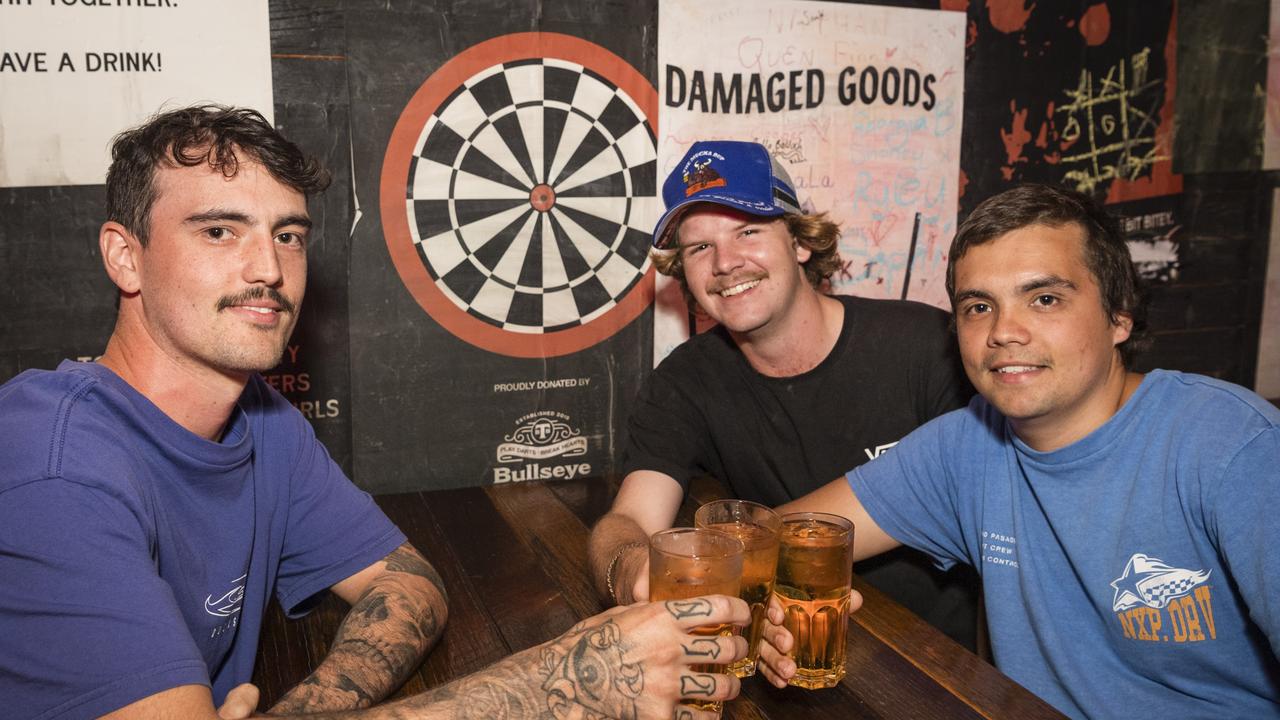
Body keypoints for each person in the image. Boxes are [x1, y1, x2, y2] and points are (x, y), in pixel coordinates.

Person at [0, 105, 749, 720]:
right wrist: (565, 684)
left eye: (287, 235)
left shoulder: (259, 419)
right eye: (220, 230)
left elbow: (409, 582)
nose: (268, 269)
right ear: (124, 257)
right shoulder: (52, 469)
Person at [759, 184, 1280, 718]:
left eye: (1045, 299)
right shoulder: (966, 446)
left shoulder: (1233, 446)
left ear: (1119, 316)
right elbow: (764, 543)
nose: (1004, 331)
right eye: (979, 306)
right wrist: (764, 609)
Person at [589, 140, 980, 649]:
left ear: (799, 241)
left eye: (747, 230)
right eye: (699, 248)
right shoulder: (684, 382)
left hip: (942, 667)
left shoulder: (927, 347)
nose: (725, 262)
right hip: (788, 653)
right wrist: (632, 570)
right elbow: (628, 520)